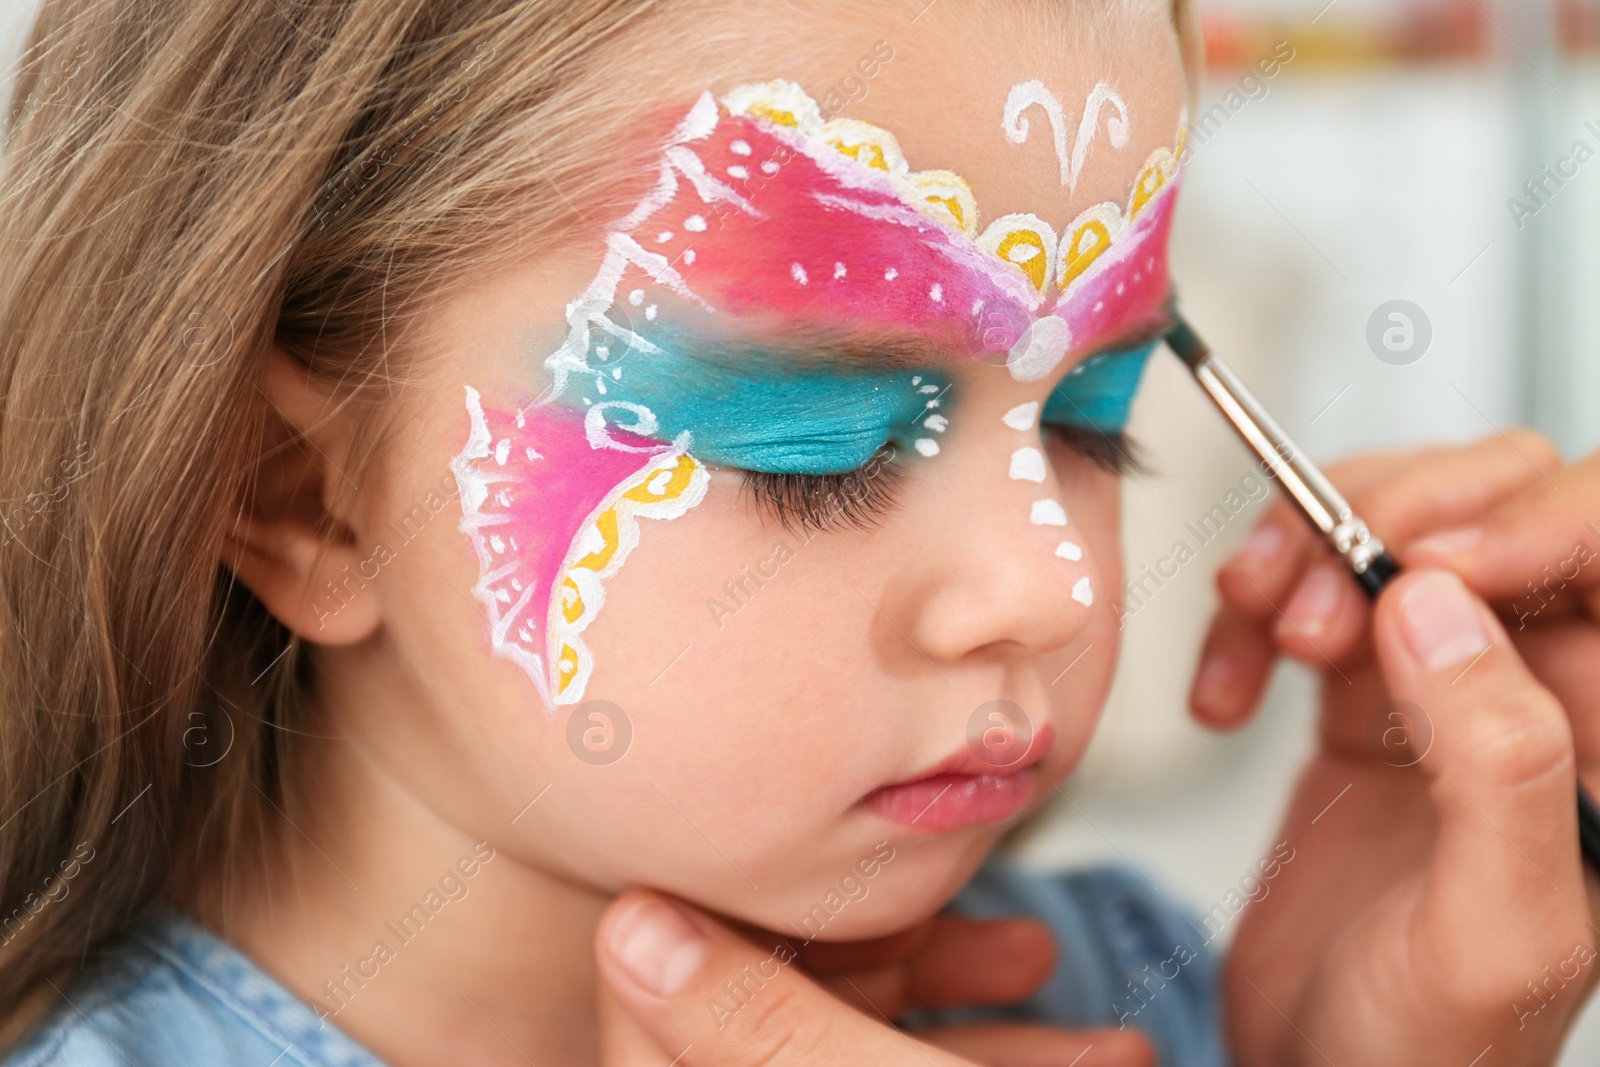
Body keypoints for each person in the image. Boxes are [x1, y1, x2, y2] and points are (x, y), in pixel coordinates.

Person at [0, 2, 1592, 1066]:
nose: (1047, 586)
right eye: (813, 448)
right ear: (301, 495)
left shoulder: (1138, 1002)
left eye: (1092, 416)